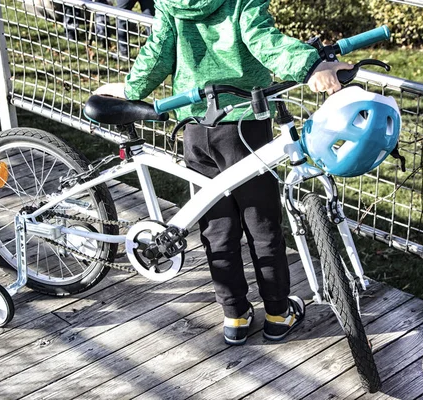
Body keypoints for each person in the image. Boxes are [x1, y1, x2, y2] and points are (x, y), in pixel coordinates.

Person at [95, 0, 352, 345]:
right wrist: (311, 66)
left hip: (196, 129)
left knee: (217, 229)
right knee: (262, 225)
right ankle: (277, 313)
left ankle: (234, 315)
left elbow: (157, 53)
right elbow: (265, 42)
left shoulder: (172, 4)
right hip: (244, 125)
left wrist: (131, 90)